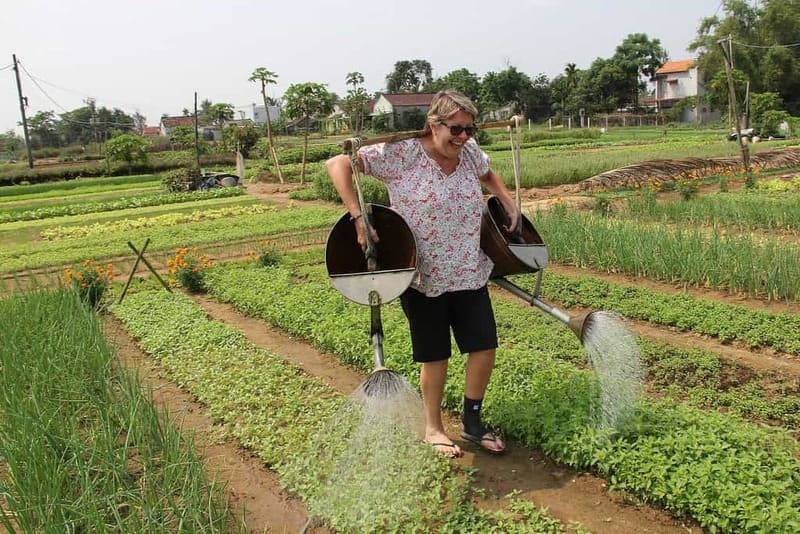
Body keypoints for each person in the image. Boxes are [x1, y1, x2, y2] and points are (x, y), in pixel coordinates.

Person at [326, 89, 519, 457]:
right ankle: (433, 428)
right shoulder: (402, 154)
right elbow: (338, 164)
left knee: (483, 348)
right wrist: (358, 217)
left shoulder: (469, 153)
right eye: (456, 130)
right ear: (434, 124)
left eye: (469, 130)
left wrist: (506, 198)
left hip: (468, 269)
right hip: (423, 276)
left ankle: (473, 423)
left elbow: (486, 171)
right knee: (435, 355)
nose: (463, 138)